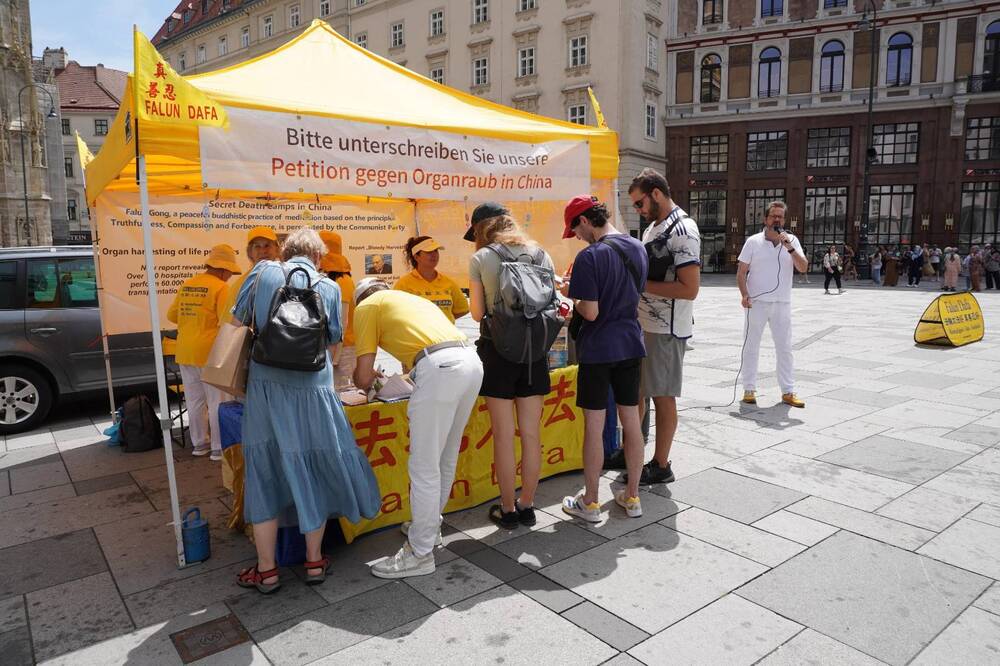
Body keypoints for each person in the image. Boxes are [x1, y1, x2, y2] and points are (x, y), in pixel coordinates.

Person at [232, 229, 382, 594]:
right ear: (319, 257)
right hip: (314, 391)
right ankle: (315, 560)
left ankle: (267, 570)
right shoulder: (329, 288)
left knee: (264, 473)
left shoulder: (263, 272)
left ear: (285, 252)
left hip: (266, 389)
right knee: (313, 468)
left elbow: (236, 324)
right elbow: (332, 349)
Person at [354, 280, 483, 578]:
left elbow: (362, 378)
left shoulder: (366, 307)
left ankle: (420, 553)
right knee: (445, 457)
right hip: (470, 362)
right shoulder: (409, 300)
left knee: (424, 466)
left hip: (441, 368)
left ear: (361, 297)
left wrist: (367, 375)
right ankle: (428, 527)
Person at [559, 195, 648, 521]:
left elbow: (591, 312)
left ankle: (592, 502)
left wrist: (572, 299)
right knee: (632, 424)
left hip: (598, 350)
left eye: (575, 230)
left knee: (595, 428)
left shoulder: (590, 257)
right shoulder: (637, 247)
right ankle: (633, 497)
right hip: (630, 344)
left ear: (583, 220)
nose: (577, 237)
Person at [465, 203, 553, 528]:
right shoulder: (541, 253)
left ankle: (508, 509)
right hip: (535, 351)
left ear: (480, 229)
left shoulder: (482, 258)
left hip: (498, 351)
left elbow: (476, 313)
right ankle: (528, 505)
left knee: (503, 436)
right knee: (531, 434)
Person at [628, 168, 701, 485]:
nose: (638, 211)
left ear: (656, 193)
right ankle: (633, 450)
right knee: (640, 391)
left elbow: (690, 288)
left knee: (663, 396)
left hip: (666, 328)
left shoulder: (683, 229)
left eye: (639, 203)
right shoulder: (654, 228)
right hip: (646, 324)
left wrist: (641, 284)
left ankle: (661, 464)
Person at [166, 244, 240, 461]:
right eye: (229, 273)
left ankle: (199, 444)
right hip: (210, 353)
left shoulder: (188, 284)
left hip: (185, 351)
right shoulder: (220, 288)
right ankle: (219, 448)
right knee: (218, 400)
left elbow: (172, 315)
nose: (229, 277)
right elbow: (226, 321)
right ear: (223, 269)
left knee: (194, 400)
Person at [737, 201, 808, 408]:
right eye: (773, 216)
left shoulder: (791, 240)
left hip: (782, 303)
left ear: (784, 220)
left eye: (780, 217)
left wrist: (790, 248)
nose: (777, 220)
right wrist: (744, 294)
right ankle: (749, 389)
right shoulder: (753, 242)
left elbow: (803, 268)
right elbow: (742, 272)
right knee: (751, 346)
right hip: (756, 303)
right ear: (765, 219)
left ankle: (788, 391)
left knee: (785, 348)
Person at [394, 236, 470, 323]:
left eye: (436, 251)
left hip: (446, 335)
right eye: (429, 251)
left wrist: (443, 321)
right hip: (418, 336)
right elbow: (395, 313)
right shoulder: (403, 284)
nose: (434, 254)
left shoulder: (448, 282)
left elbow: (462, 309)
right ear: (416, 257)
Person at [319, 231, 356, 389]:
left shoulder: (342, 281)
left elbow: (342, 321)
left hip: (344, 350)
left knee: (344, 396)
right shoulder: (326, 278)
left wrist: (334, 358)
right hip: (331, 349)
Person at [222, 226, 279, 316]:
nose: (263, 251)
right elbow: (229, 324)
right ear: (250, 252)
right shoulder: (240, 286)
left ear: (277, 249)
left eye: (267, 245)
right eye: (257, 246)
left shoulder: (289, 276)